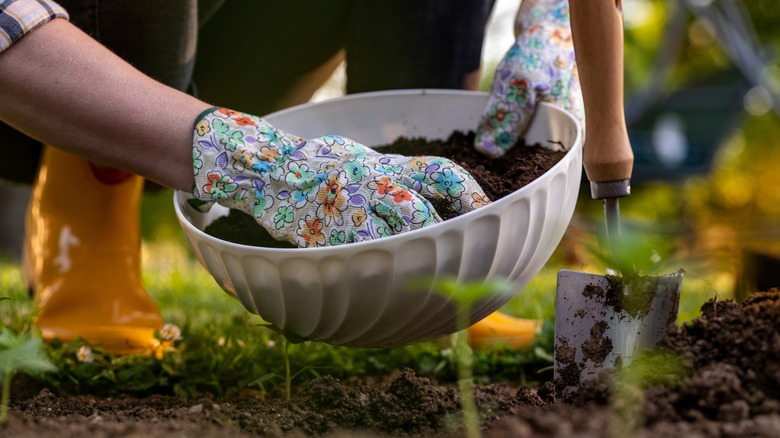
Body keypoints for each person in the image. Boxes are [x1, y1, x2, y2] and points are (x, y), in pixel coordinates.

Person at [0, 0, 626, 353]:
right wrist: (259, 164)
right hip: (66, 71)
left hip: (249, 59)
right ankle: (86, 221)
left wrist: (553, 23)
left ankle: (427, 239)